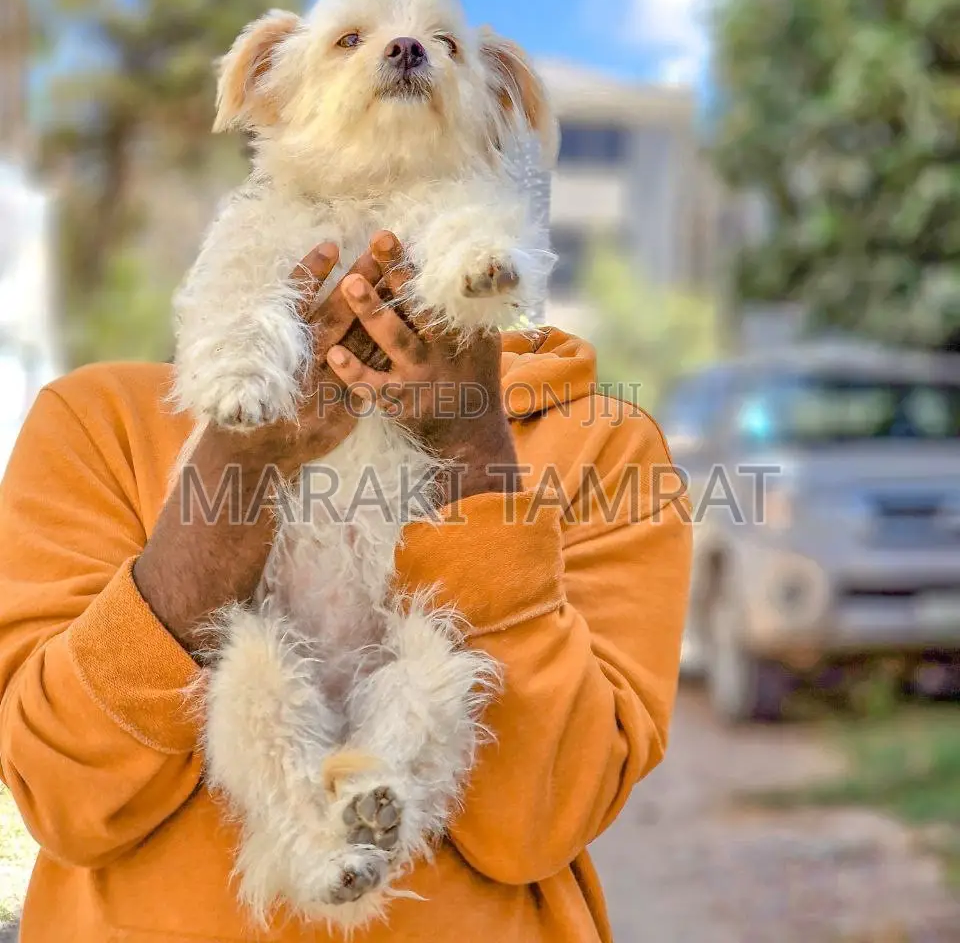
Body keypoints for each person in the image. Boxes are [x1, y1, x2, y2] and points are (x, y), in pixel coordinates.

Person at [0, 231, 692, 943]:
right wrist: (241, 456)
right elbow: (65, 795)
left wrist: (473, 450)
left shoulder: (603, 450)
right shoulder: (98, 424)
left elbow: (542, 821)